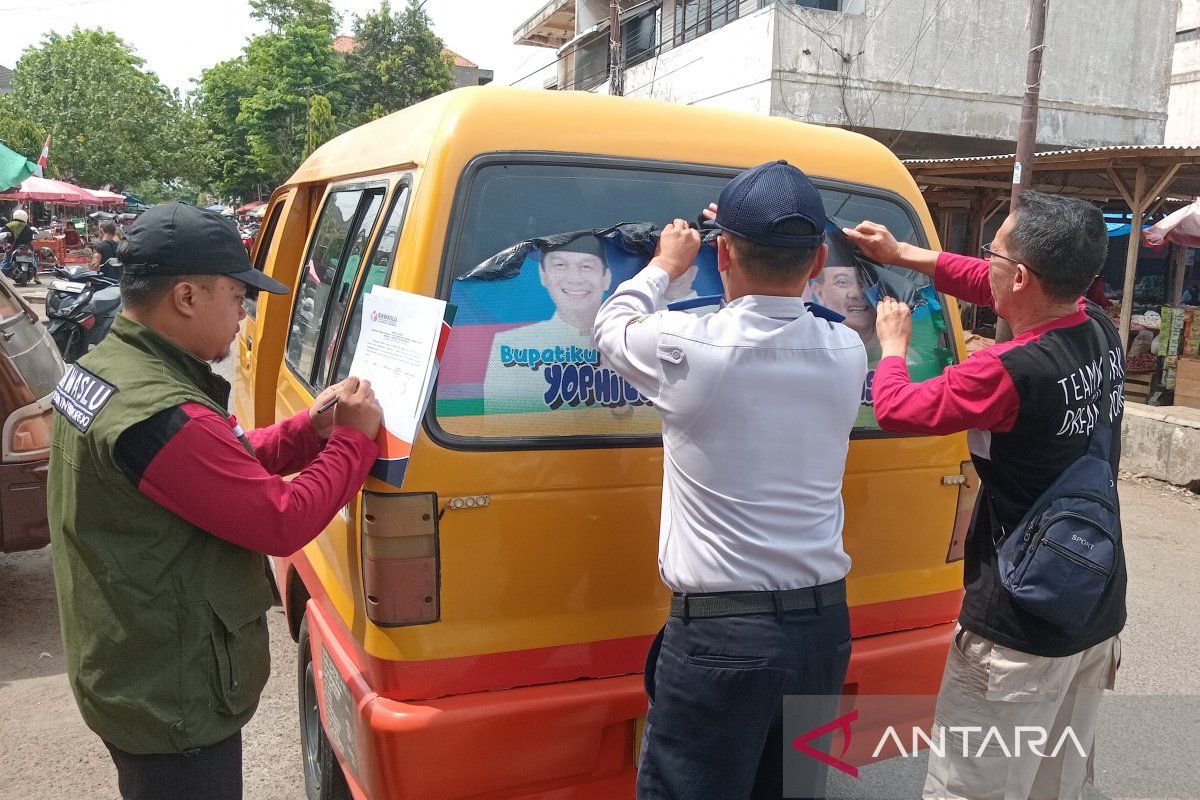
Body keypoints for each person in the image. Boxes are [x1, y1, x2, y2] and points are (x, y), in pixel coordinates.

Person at [47, 202, 383, 800]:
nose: (243, 314)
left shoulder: (111, 367)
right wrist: (355, 441)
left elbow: (220, 458)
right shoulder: (162, 413)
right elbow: (281, 521)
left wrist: (312, 429)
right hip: (169, 694)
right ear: (186, 296)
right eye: (236, 295)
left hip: (129, 664)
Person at [595, 160, 866, 800]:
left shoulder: (688, 344)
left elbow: (610, 328)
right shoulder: (847, 351)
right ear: (820, 257)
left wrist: (664, 264)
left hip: (721, 641)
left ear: (723, 255)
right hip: (824, 634)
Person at [844, 191, 1126, 800]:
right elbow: (989, 283)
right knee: (1057, 784)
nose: (985, 264)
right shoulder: (1098, 328)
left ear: (1021, 276)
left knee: (973, 788)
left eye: (993, 253)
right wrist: (907, 255)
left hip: (1016, 632)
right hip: (1090, 606)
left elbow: (896, 408)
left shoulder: (1005, 371)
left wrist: (892, 346)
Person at [810, 264, 880, 360]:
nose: (856, 293)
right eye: (842, 282)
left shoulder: (903, 349)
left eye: (865, 281)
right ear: (820, 293)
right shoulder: (810, 356)